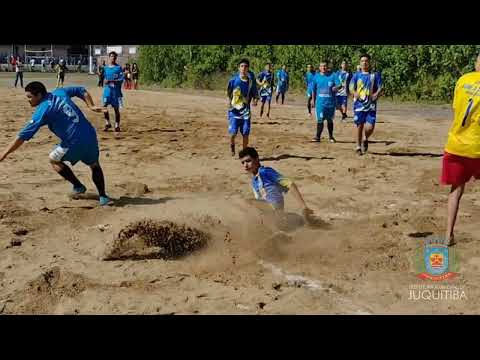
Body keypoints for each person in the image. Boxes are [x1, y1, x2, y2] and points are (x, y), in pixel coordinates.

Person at [0, 81, 112, 206]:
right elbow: (81, 90)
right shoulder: (60, 92)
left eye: (30, 97)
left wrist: (4, 153)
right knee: (94, 164)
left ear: (39, 95)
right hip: (90, 135)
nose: (29, 100)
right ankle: (103, 197)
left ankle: (78, 186)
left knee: (53, 159)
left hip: (73, 142)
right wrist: (91, 106)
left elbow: (22, 136)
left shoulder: (43, 110)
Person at [441, 54, 480, 247]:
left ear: (476, 64)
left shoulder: (463, 80)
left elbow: (456, 108)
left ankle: (448, 234)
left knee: (456, 190)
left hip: (456, 143)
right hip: (477, 146)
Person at [239, 147, 314, 220]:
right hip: (268, 215)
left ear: (256, 159)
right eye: (243, 162)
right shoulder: (254, 181)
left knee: (248, 202)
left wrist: (303, 206)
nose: (245, 165)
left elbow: (290, 184)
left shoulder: (265, 172)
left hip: (274, 212)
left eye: (248, 161)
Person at [349, 54, 382, 155]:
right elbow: (351, 87)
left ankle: (365, 138)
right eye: (362, 61)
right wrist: (354, 93)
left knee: (370, 127)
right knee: (359, 126)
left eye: (366, 61)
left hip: (371, 105)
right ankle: (358, 147)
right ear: (360, 63)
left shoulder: (375, 75)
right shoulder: (356, 75)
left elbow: (381, 87)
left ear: (369, 62)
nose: (364, 63)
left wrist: (376, 94)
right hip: (359, 105)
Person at [227, 58, 258, 156]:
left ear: (248, 69)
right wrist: (231, 102)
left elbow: (255, 95)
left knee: (245, 133)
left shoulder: (250, 82)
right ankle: (232, 145)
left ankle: (244, 154)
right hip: (234, 112)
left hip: (245, 113)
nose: (243, 68)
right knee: (233, 134)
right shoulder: (233, 80)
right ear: (238, 68)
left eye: (245, 66)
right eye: (242, 66)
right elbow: (229, 92)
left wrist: (255, 101)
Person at [310, 61, 341, 143]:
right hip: (320, 103)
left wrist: (336, 87)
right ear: (319, 68)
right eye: (321, 66)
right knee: (320, 120)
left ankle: (331, 137)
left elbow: (340, 84)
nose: (323, 68)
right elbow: (313, 90)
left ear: (327, 67)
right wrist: (313, 100)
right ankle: (317, 137)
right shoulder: (316, 77)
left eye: (325, 66)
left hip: (331, 103)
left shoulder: (333, 75)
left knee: (330, 120)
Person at [102, 51, 124, 132]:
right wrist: (104, 81)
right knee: (104, 106)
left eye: (114, 57)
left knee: (116, 109)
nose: (113, 58)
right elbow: (104, 78)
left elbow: (121, 79)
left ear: (116, 58)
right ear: (109, 57)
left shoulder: (118, 68)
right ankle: (107, 123)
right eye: (111, 56)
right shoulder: (106, 68)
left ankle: (117, 125)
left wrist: (112, 81)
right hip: (107, 91)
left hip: (115, 92)